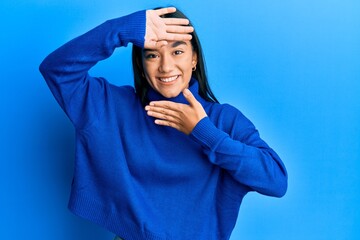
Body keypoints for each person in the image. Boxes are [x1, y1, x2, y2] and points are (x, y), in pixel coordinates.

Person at [39, 6, 288, 240]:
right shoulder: (111, 106)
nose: (166, 66)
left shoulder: (224, 120)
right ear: (142, 64)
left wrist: (204, 132)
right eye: (152, 55)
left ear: (194, 59)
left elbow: (276, 181)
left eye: (177, 51)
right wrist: (123, 29)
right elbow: (56, 69)